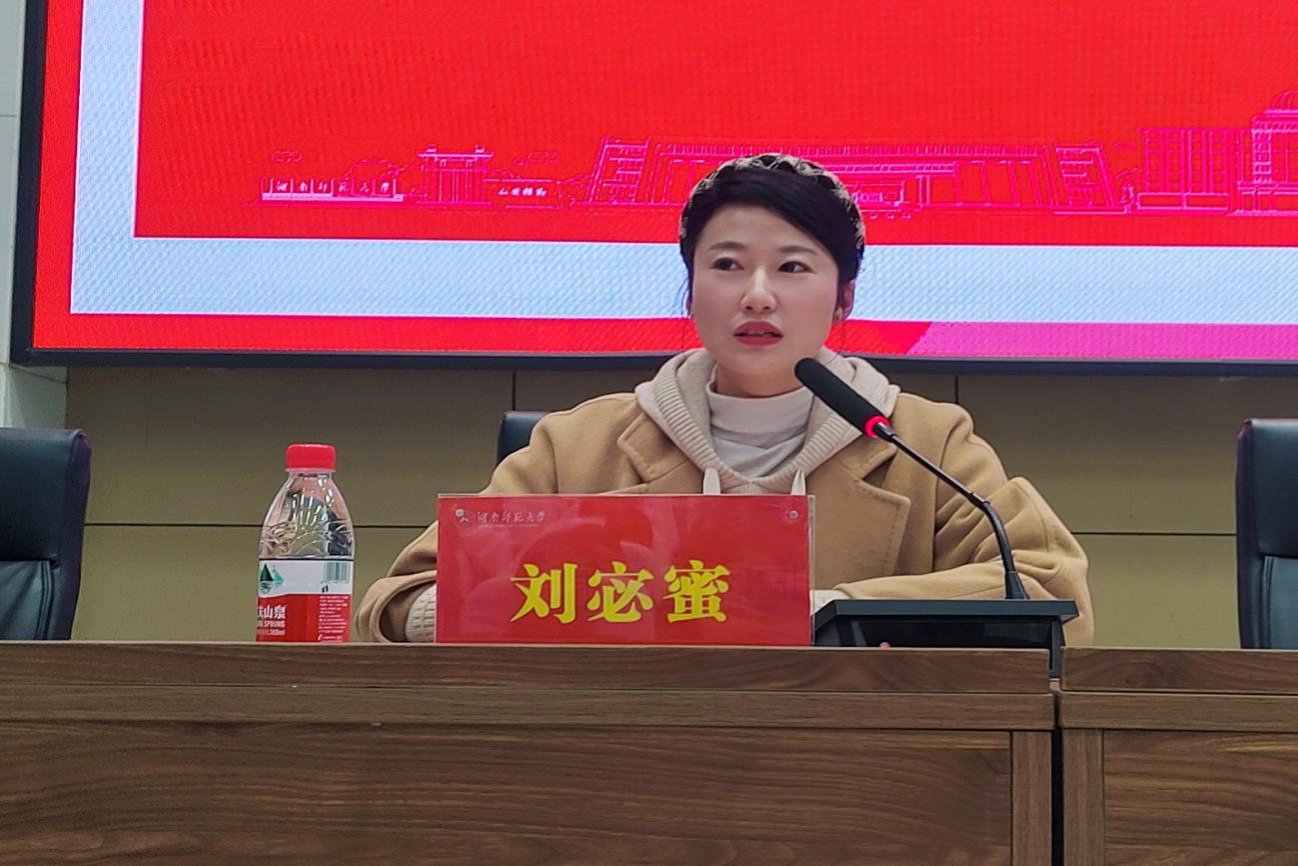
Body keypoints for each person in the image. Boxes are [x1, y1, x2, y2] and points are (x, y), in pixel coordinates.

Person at [356, 153, 1093, 644]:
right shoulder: (577, 444)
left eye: (793, 267)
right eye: (728, 265)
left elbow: (1048, 594)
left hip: (858, 773)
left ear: (843, 299)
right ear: (691, 290)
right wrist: (509, 607)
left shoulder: (922, 441)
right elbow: (396, 601)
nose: (758, 295)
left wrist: (828, 611)